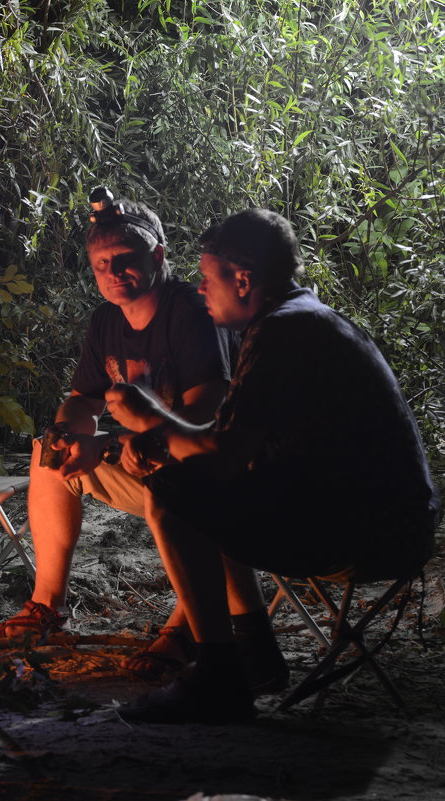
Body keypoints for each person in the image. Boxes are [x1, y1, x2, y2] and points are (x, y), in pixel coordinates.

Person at [106, 208, 440, 722]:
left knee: (178, 490)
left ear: (243, 280)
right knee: (202, 483)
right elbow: (234, 448)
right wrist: (167, 438)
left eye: (207, 278)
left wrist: (152, 419)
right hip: (390, 523)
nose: (199, 290)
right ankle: (253, 653)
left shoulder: (284, 333)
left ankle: (218, 677)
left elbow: (219, 457)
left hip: (367, 535)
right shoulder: (300, 319)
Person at [0, 188, 256, 686]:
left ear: (158, 255)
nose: (113, 272)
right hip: (143, 460)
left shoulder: (191, 312)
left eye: (125, 259)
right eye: (101, 263)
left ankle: (189, 627)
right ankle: (46, 607)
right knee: (48, 453)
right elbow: (84, 399)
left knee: (182, 480)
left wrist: (105, 445)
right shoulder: (107, 320)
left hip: (209, 471)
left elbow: (203, 414)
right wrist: (68, 433)